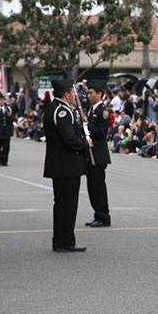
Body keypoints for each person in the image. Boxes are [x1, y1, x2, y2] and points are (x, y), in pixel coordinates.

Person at [43, 79, 92, 252]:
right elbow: (69, 138)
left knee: (61, 203)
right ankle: (66, 241)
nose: (74, 95)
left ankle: (59, 240)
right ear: (66, 93)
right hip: (67, 164)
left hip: (58, 164)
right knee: (68, 204)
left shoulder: (52, 108)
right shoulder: (62, 111)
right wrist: (86, 144)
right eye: (72, 92)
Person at [84, 80, 112, 227]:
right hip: (89, 155)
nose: (88, 96)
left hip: (98, 155)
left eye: (91, 93)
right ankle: (97, 214)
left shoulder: (103, 111)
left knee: (98, 187)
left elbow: (101, 133)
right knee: (92, 187)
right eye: (88, 93)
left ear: (99, 94)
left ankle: (103, 216)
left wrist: (86, 123)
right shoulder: (90, 110)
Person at [0, 93, 13, 166]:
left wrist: (11, 131)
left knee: (6, 146)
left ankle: (5, 160)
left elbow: (10, 121)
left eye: (3, 100)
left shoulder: (8, 109)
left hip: (6, 131)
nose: (2, 102)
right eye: (0, 100)